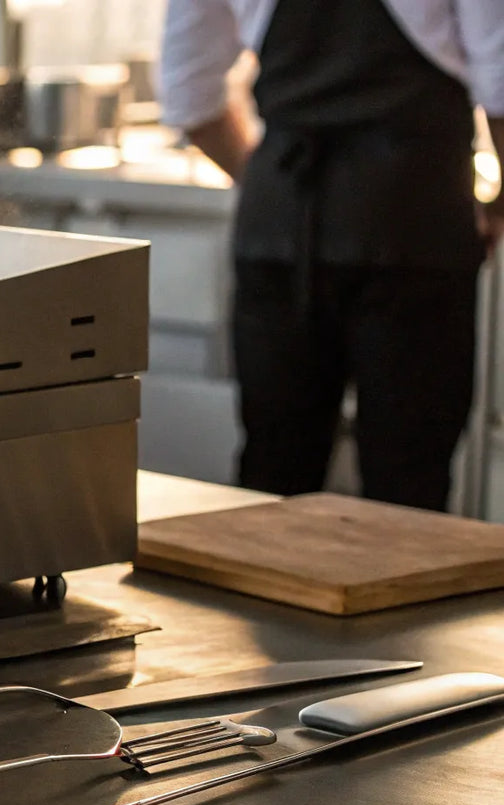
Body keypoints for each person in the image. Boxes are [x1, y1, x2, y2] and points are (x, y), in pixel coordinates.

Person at [161, 0, 504, 510]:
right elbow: (500, 84)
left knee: (274, 479)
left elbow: (189, 98)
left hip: (279, 227)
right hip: (412, 219)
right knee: (407, 487)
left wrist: (268, 183)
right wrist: (496, 205)